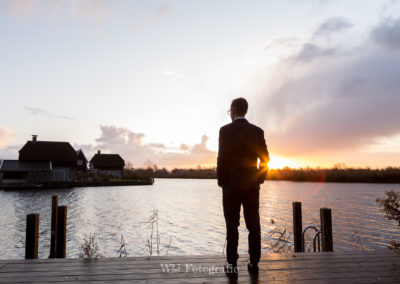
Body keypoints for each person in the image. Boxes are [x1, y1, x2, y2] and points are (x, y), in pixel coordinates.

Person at [217, 97, 269, 275]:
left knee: (232, 224)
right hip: (251, 187)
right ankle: (254, 263)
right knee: (253, 224)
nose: (230, 114)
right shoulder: (257, 131)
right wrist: (259, 179)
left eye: (230, 111)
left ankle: (232, 264)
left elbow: (221, 159)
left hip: (230, 187)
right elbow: (265, 160)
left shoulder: (225, 131)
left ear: (234, 110)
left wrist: (222, 182)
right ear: (244, 111)